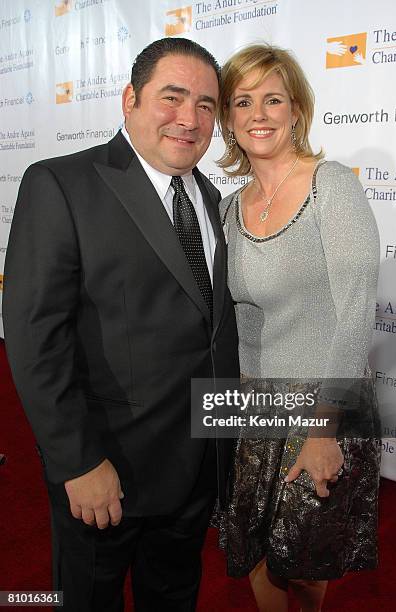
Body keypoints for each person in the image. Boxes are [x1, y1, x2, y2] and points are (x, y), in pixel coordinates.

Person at [3, 37, 239, 612]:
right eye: (172, 97)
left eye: (206, 105)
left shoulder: (214, 200)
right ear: (130, 99)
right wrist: (77, 461)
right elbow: (36, 338)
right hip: (106, 471)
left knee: (174, 597)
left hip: (195, 467)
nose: (190, 119)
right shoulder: (61, 183)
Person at [216, 44, 380, 611]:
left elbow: (357, 310)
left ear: (296, 111)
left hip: (322, 404)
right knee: (257, 549)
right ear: (229, 120)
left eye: (272, 99)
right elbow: (237, 320)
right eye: (242, 102)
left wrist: (323, 431)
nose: (258, 113)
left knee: (306, 563)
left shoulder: (330, 186)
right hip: (254, 405)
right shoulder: (228, 209)